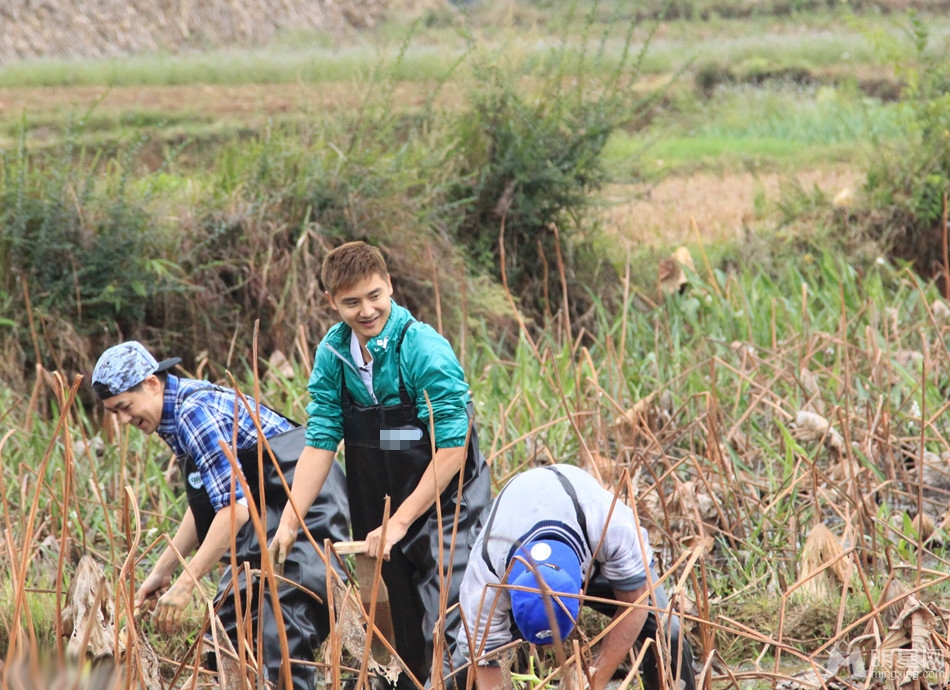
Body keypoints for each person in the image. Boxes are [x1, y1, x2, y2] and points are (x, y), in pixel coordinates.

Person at [269, 241, 492, 688]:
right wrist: (291, 520)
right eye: (351, 302)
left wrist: (402, 522)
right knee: (399, 633)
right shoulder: (334, 355)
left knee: (450, 624)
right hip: (378, 504)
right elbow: (321, 441)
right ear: (332, 302)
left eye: (375, 295)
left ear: (389, 285)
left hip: (444, 502)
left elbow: (452, 447)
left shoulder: (423, 349)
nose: (367, 310)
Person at [91, 340, 350, 690]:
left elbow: (234, 510)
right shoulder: (175, 414)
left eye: (124, 407)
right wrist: (162, 571)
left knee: (280, 635)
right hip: (264, 520)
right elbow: (208, 504)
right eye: (113, 412)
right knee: (226, 630)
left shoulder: (194, 412)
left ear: (152, 384)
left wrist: (186, 583)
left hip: (305, 513)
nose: (122, 420)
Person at [457, 464, 696, 690]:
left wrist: (594, 677)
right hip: (507, 528)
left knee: (668, 634)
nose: (554, 649)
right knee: (458, 668)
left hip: (589, 541)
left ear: (581, 595)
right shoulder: (486, 576)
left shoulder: (611, 527)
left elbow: (635, 605)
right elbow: (486, 660)